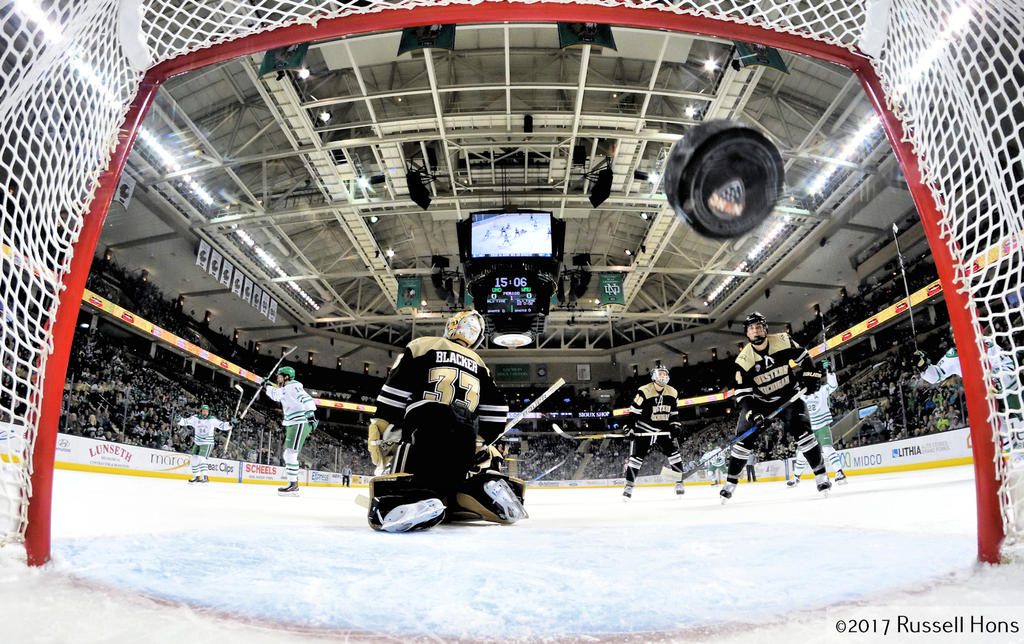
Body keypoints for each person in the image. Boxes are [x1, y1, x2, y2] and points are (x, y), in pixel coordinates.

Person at [366, 310, 525, 532]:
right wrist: (483, 441)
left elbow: (395, 391)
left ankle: (408, 499)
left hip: (425, 424)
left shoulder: (422, 345)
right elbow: (497, 409)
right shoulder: (480, 364)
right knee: (452, 483)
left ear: (452, 326)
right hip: (466, 434)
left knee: (407, 479)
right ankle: (478, 490)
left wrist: (381, 426)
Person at [722, 312, 831, 501]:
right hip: (760, 403)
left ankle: (821, 476)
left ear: (765, 329)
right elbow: (744, 396)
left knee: (804, 434)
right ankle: (730, 483)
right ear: (747, 333)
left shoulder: (783, 340)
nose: (755, 331)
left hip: (789, 396)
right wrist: (753, 414)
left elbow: (804, 358)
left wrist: (811, 376)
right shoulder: (743, 360)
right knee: (743, 441)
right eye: (751, 328)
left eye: (758, 326)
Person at [622, 366, 685, 499]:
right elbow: (634, 412)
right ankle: (629, 486)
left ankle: (679, 483)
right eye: (660, 373)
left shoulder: (673, 392)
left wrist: (675, 426)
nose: (663, 376)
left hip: (663, 429)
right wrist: (630, 428)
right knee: (636, 459)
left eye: (665, 373)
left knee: (675, 455)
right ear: (654, 376)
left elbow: (674, 413)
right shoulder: (644, 391)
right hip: (645, 428)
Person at [789, 358, 847, 487]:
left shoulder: (822, 390)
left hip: (821, 426)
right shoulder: (801, 394)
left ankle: (839, 472)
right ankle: (796, 477)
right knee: (801, 453)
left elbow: (833, 386)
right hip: (808, 428)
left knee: (827, 449)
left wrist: (830, 372)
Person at [263, 366, 317, 496]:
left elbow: (306, 398)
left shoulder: (293, 386)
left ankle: (293, 485)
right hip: (293, 423)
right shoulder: (286, 388)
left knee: (290, 454)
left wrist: (310, 413)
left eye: (279, 376)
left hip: (299, 422)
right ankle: (293, 484)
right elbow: (276, 395)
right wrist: (267, 385)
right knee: (288, 455)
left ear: (286, 377)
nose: (277, 378)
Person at [175, 404, 232, 484]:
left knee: (201, 458)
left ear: (208, 412)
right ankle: (196, 477)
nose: (205, 413)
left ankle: (205, 477)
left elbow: (222, 425)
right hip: (197, 442)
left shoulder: (212, 419)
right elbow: (185, 421)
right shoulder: (195, 418)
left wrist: (229, 424)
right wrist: (179, 419)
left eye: (206, 411)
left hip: (207, 442)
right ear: (201, 411)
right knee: (194, 459)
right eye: (204, 411)